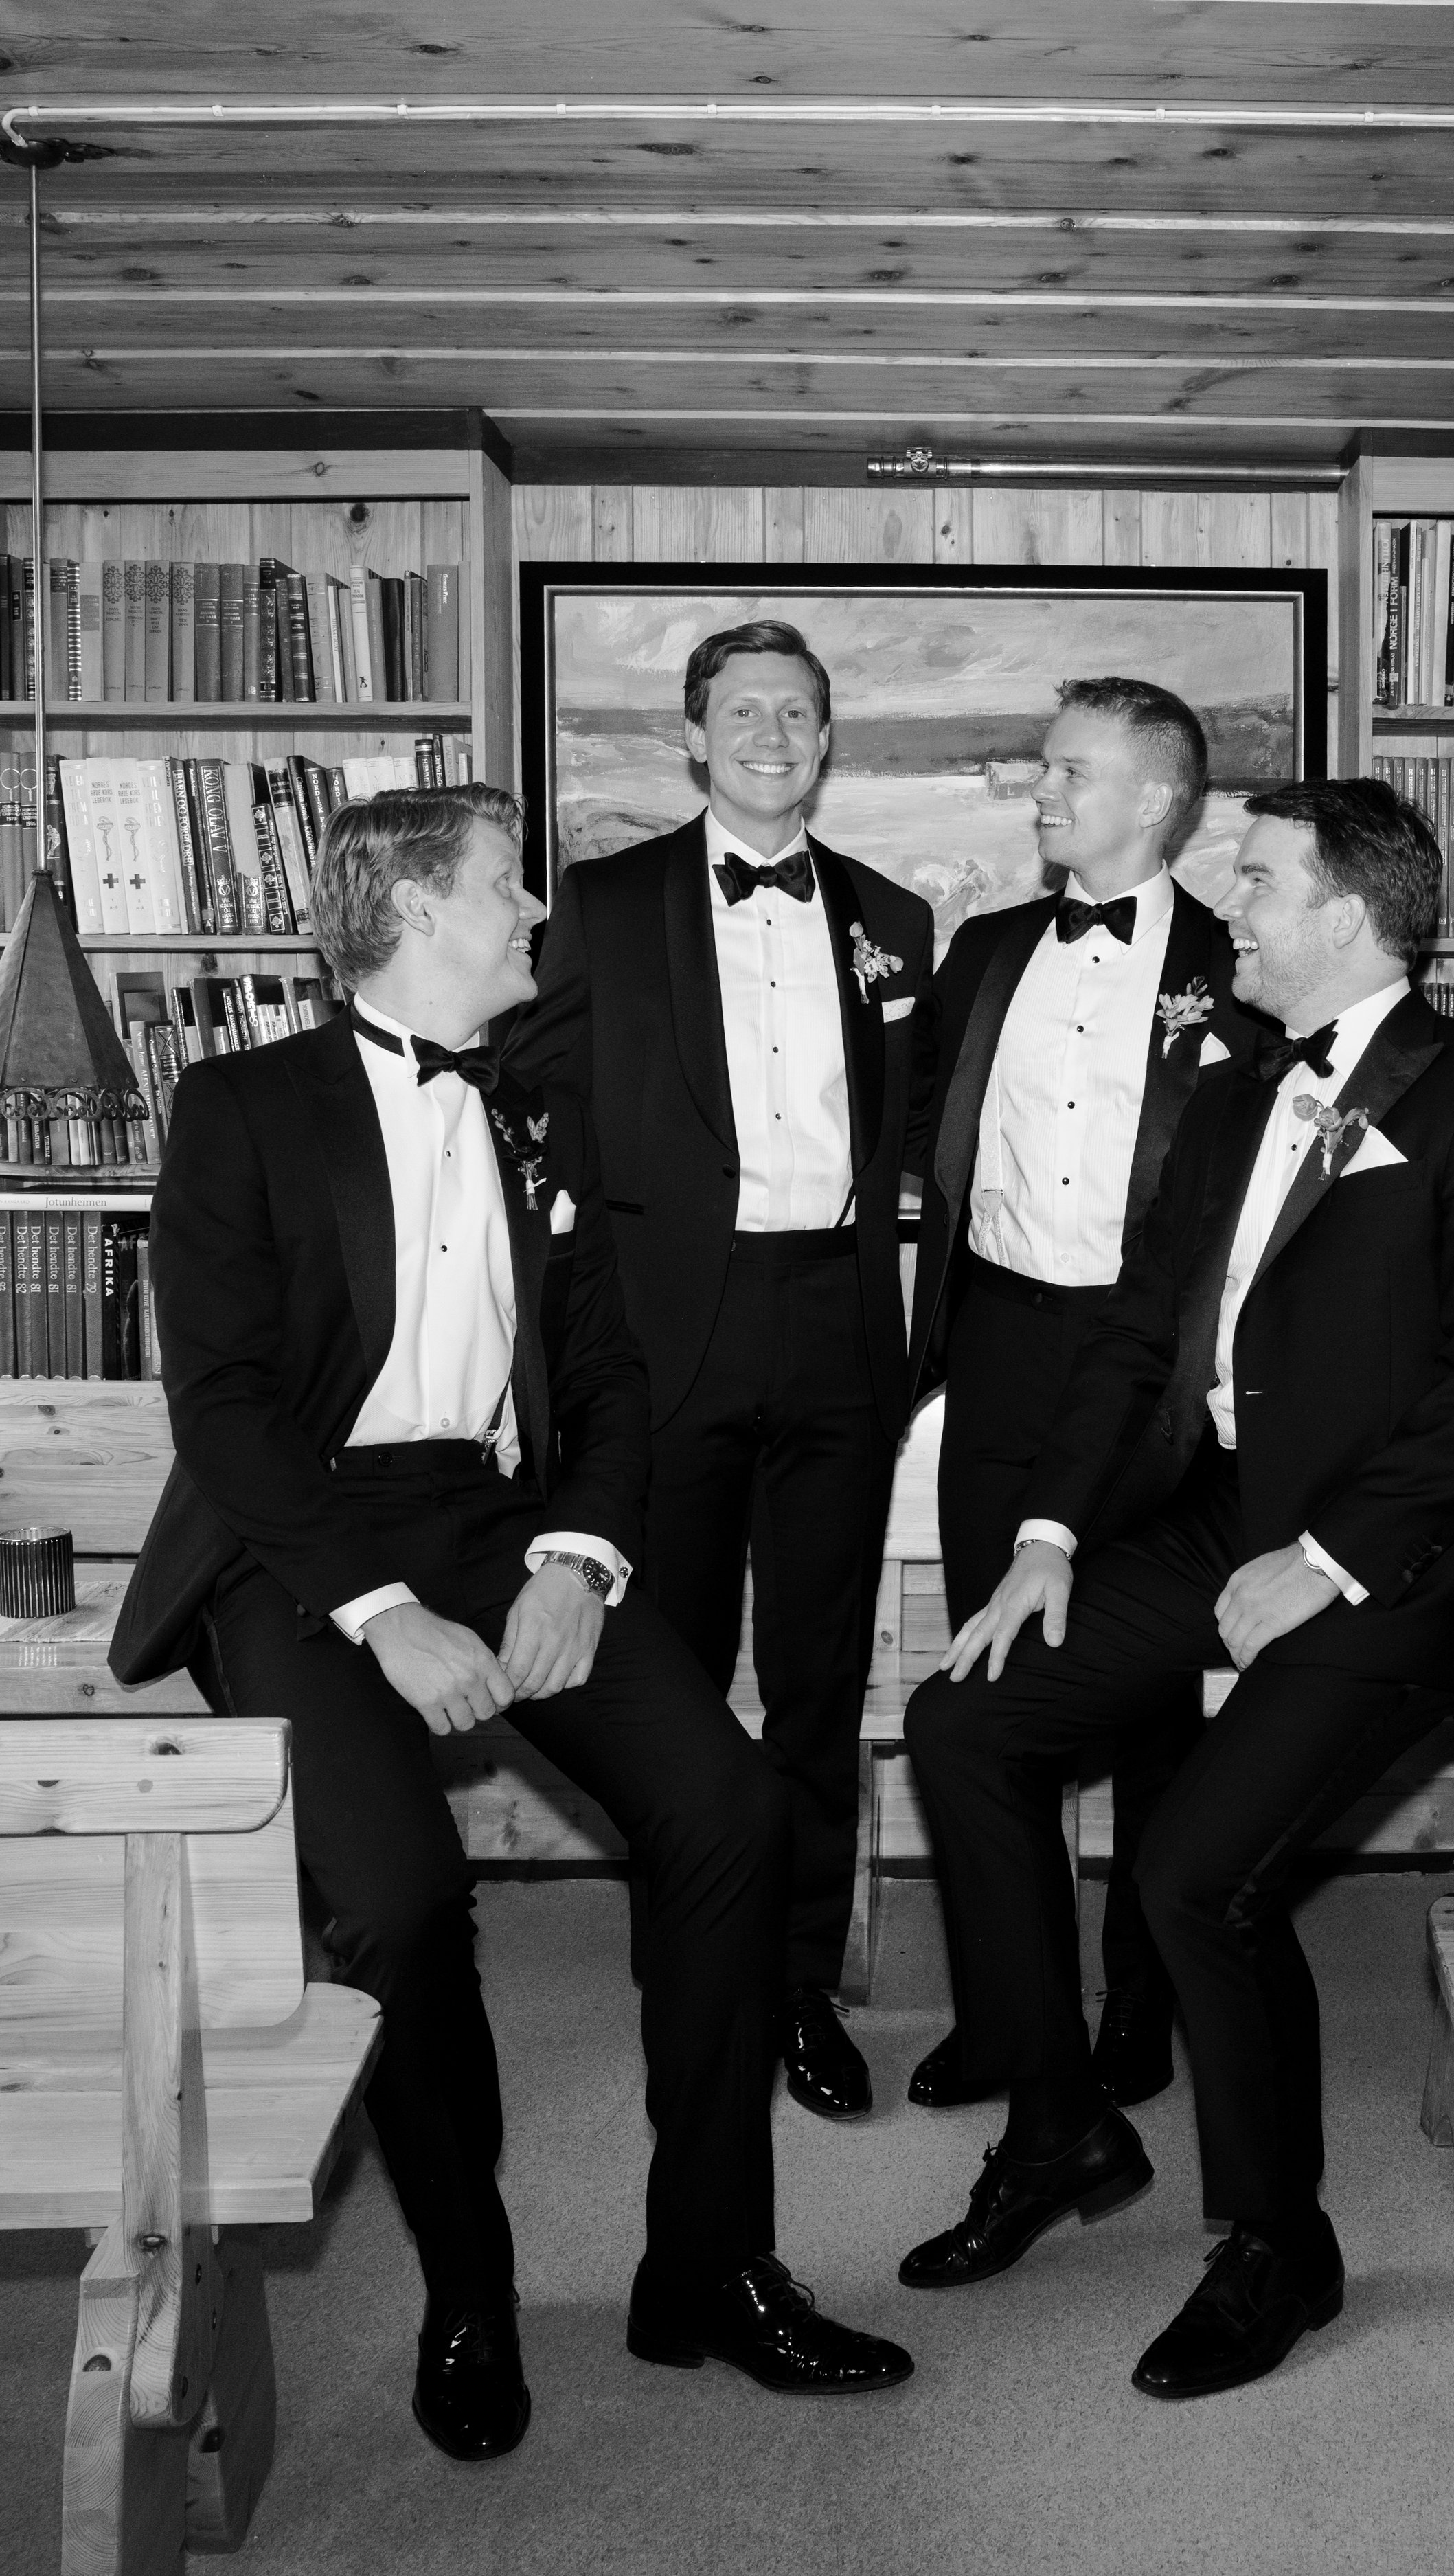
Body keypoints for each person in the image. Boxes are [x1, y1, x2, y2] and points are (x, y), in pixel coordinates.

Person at [110, 786, 912, 2460]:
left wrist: (576, 1557)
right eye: (505, 891)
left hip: (502, 1523)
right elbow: (228, 1406)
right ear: (413, 915)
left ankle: (710, 2262)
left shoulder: (546, 1103)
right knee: (400, 1903)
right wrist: (380, 1610)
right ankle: (468, 2286)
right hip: (304, 1544)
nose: (536, 916)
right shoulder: (240, 1104)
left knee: (730, 1808)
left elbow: (610, 1373)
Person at [896, 777, 1454, 2398]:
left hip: (1400, 1570)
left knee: (1194, 1872)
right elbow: (1140, 1343)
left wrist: (1333, 1560)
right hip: (1221, 1527)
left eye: (1259, 883)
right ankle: (1059, 2128)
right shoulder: (1228, 1100)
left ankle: (1280, 2242)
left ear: (1344, 915)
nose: (1235, 914)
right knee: (962, 1724)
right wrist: (1048, 1543)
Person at [506, 621, 935, 2121]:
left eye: (798, 711)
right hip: (655, 1329)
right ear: (692, 739)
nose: (772, 732)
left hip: (832, 1320)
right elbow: (517, 1091)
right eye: (741, 710)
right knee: (669, 1688)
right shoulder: (603, 905)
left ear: (828, 739)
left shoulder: (893, 917)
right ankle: (694, 1979)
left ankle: (801, 1980)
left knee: (819, 1680)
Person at [904, 677, 1255, 2114]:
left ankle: (1139, 2007)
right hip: (995, 1344)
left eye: (1065, 772)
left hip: (1150, 1369)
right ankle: (1011, 2016)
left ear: (1156, 800)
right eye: (1041, 769)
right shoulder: (985, 949)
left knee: (1148, 1693)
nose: (1037, 794)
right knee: (988, 1687)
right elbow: (912, 1133)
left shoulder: (1242, 966)